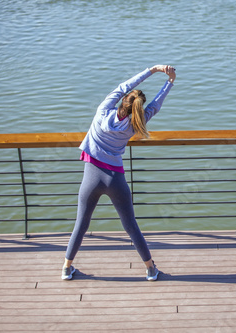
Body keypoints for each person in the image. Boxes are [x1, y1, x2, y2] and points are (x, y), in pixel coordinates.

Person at [61, 65, 176, 281]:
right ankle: (151, 269)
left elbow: (125, 86)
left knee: (81, 224)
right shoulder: (135, 125)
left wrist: (152, 70)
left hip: (91, 177)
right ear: (137, 111)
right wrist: (170, 81)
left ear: (122, 101)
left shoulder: (103, 110)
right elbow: (156, 106)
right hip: (115, 179)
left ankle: (66, 268)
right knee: (131, 226)